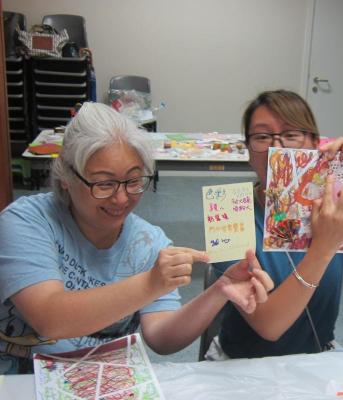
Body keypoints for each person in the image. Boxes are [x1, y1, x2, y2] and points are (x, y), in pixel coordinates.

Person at [0, 102, 273, 374]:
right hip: (21, 379)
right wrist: (150, 283)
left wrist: (220, 290)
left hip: (104, 381)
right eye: (104, 184)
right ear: (66, 177)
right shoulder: (27, 221)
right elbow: (49, 318)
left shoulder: (148, 242)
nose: (121, 199)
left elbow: (162, 338)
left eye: (133, 181)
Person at [207, 90, 343, 360]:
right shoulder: (227, 209)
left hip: (316, 359)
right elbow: (268, 326)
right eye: (261, 136)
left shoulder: (332, 204)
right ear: (248, 151)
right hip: (241, 362)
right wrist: (324, 247)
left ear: (315, 144)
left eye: (291, 135)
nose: (277, 148)